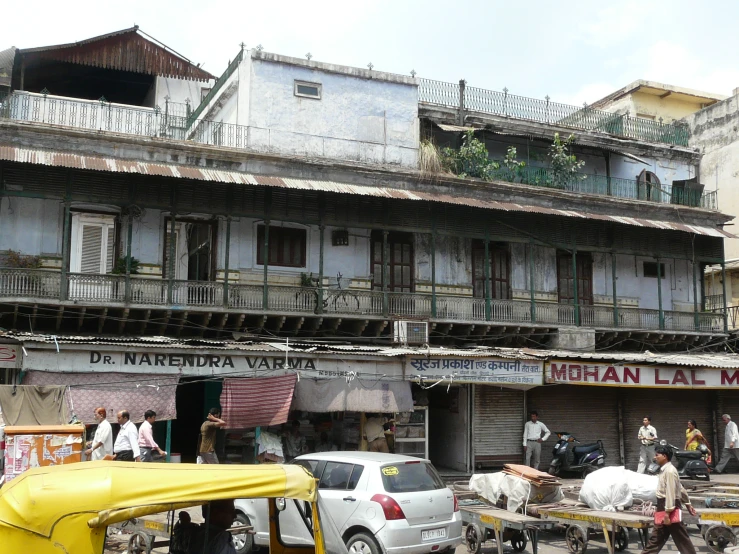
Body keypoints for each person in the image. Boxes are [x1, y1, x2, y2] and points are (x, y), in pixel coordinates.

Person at [639, 444, 697, 554]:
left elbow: (671, 492)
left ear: (664, 456)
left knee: (680, 537)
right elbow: (680, 487)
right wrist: (688, 503)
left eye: (657, 455)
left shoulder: (670, 471)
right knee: (657, 538)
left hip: (669, 507)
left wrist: (667, 513)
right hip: (664, 506)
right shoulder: (664, 470)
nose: (655, 457)